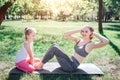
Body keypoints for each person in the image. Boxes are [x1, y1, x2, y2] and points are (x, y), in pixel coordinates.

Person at [38, 25, 109, 72]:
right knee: (54, 45)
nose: (84, 33)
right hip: (69, 61)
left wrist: (95, 34)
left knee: (54, 48)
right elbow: (66, 34)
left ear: (91, 33)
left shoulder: (90, 44)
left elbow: (106, 41)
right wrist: (79, 30)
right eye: (83, 31)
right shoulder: (79, 40)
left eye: (86, 32)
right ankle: (40, 64)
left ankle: (40, 65)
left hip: (71, 67)